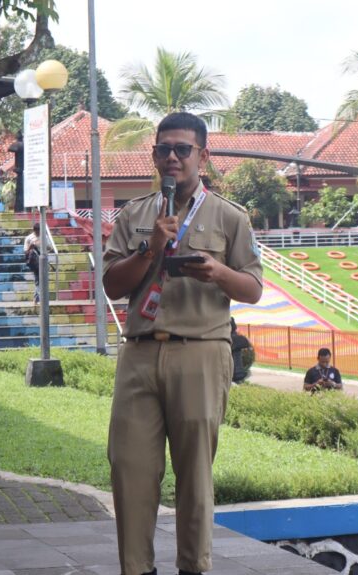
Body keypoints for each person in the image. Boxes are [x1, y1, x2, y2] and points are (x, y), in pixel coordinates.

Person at [102, 112, 263, 575]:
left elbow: (253, 288)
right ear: (154, 155)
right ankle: (137, 568)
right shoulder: (134, 215)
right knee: (129, 468)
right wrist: (149, 248)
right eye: (163, 149)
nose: (172, 157)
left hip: (201, 351)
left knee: (194, 475)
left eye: (182, 149)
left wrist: (218, 272)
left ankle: (193, 566)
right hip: (139, 352)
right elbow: (112, 284)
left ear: (202, 156)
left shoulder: (230, 216)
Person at [24, 222, 42, 301]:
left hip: (42, 260)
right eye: (36, 230)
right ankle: (37, 298)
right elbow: (26, 252)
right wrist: (30, 247)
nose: (38, 232)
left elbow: (49, 248)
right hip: (34, 261)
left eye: (39, 230)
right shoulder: (29, 238)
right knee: (38, 279)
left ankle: (37, 298)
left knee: (40, 280)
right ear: (34, 230)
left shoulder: (44, 237)